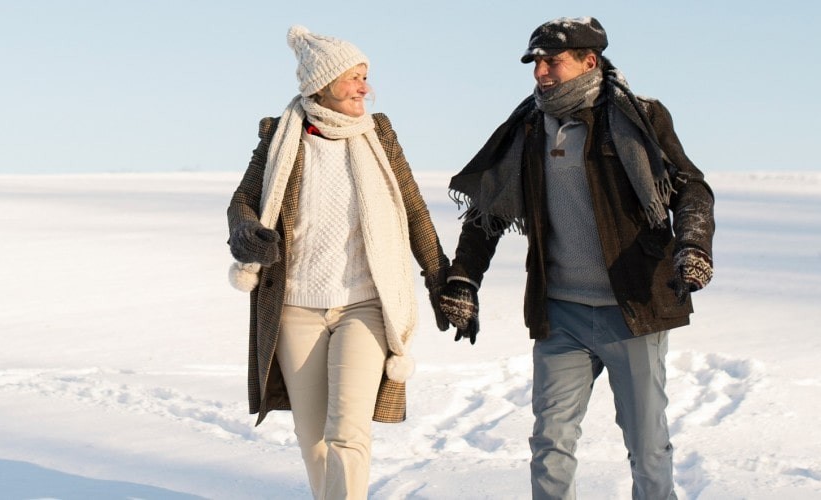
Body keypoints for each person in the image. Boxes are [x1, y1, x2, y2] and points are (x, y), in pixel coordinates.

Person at [436, 17, 716, 500]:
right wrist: (464, 278)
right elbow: (489, 210)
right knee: (551, 442)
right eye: (536, 63)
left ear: (590, 61)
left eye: (551, 61)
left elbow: (691, 189)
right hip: (560, 313)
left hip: (633, 310)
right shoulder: (527, 127)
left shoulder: (641, 118)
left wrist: (693, 246)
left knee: (647, 446)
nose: (540, 72)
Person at [226, 25, 450, 500]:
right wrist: (247, 232)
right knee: (314, 441)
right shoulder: (280, 138)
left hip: (365, 305)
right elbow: (244, 200)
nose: (365, 87)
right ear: (320, 86)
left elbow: (413, 210)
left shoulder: (379, 135)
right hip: (295, 309)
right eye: (353, 77)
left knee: (348, 433)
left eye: (365, 76)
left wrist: (439, 278)